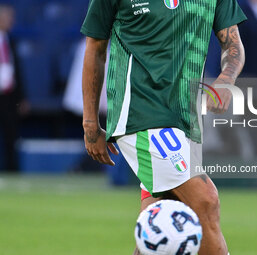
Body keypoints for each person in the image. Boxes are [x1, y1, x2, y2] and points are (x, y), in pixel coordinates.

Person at [81, 0, 246, 254]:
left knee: (159, 219)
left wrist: (227, 79)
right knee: (205, 200)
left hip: (186, 121)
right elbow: (96, 46)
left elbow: (233, 43)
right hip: (140, 112)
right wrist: (90, 122)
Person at [0, 4, 27, 171]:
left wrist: (22, 97)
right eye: (8, 17)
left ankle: (12, 168)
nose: (12, 21)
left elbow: (18, 70)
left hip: (9, 96)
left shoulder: (12, 41)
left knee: (11, 134)